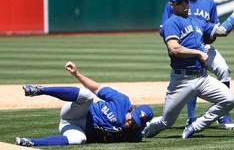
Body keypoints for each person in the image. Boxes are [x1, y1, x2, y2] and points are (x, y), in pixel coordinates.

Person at [143, 0, 234, 139]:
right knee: (166, 122)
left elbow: (222, 31)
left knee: (229, 100)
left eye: (186, 1)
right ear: (172, 5)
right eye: (180, 2)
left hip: (202, 78)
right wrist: (198, 53)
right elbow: (174, 49)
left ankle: (195, 126)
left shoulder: (198, 21)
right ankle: (140, 132)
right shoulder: (172, 22)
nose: (184, 4)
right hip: (181, 81)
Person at [160, 0, 234, 129]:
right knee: (191, 78)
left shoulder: (208, 1)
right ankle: (191, 117)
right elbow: (164, 29)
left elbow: (216, 30)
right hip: (184, 47)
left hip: (204, 46)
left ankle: (223, 115)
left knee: (224, 69)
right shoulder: (172, 4)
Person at [16, 61, 154, 147]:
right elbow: (96, 88)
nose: (131, 122)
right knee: (87, 96)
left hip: (72, 127)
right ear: (132, 110)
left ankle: (31, 142)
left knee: (80, 140)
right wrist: (76, 74)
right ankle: (40, 90)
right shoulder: (121, 101)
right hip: (76, 111)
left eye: (136, 123)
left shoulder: (134, 136)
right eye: (133, 117)